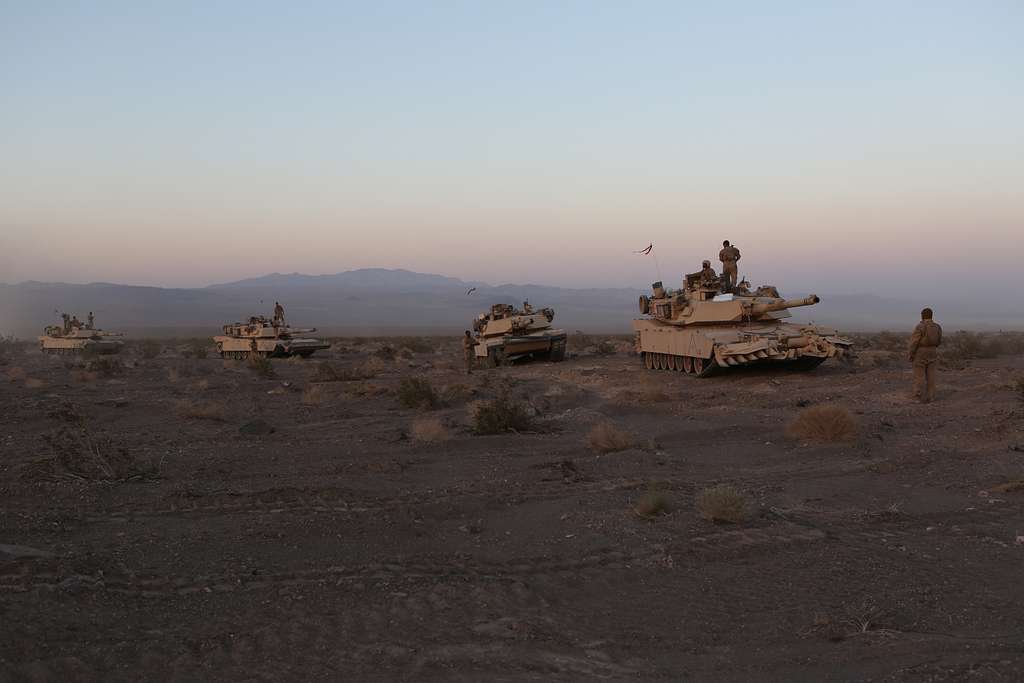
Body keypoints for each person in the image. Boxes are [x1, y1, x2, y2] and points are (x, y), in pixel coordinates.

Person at [908, 307, 942, 403]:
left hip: (921, 352)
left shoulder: (920, 326)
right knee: (931, 375)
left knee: (919, 375)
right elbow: (939, 340)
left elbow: (914, 342)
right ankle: (931, 396)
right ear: (931, 315)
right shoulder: (937, 327)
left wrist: (911, 354)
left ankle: (918, 397)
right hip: (933, 351)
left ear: (922, 316)